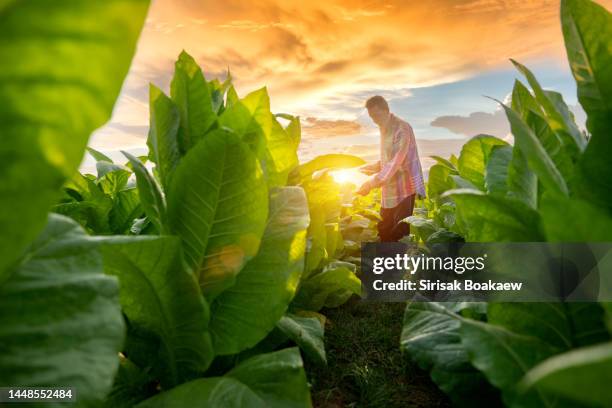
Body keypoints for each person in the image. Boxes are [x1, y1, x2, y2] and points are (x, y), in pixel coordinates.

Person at [357, 95, 425, 242]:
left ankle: (401, 264)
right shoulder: (384, 128)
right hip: (388, 191)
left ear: (386, 110)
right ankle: (385, 263)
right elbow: (389, 158)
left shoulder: (402, 128)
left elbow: (397, 161)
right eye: (371, 116)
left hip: (404, 190)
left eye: (376, 115)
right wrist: (375, 166)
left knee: (399, 234)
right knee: (384, 230)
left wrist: (370, 183)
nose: (374, 120)